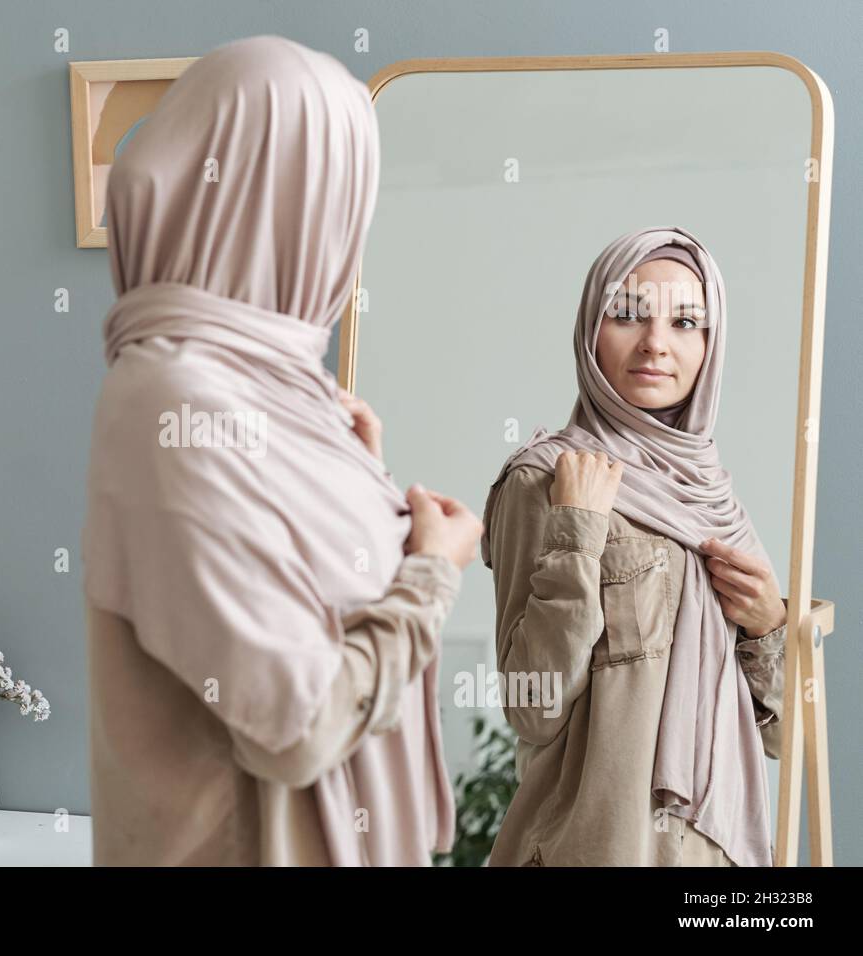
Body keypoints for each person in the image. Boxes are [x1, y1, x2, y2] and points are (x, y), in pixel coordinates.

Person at [81, 35, 482, 866]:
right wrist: (431, 575)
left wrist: (357, 482)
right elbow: (298, 725)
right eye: (338, 203)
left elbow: (303, 600)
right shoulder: (173, 400)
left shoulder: (269, 391)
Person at [480, 226, 788, 866]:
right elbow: (532, 707)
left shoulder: (715, 501)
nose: (656, 344)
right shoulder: (545, 479)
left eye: (685, 322)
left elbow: (787, 738)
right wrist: (576, 533)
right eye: (628, 315)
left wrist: (768, 630)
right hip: (594, 849)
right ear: (592, 328)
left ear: (712, 344)